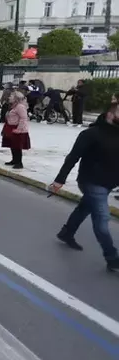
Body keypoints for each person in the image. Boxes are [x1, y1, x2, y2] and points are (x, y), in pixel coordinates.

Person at [51, 103, 119, 271]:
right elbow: (73, 157)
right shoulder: (90, 134)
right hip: (92, 181)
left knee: (85, 207)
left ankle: (67, 233)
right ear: (110, 114)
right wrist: (60, 179)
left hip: (110, 182)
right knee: (102, 221)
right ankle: (112, 258)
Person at [1, 91, 30, 169]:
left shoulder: (20, 106)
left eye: (11, 96)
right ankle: (14, 160)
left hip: (18, 129)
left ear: (16, 98)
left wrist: (19, 129)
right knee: (12, 145)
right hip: (11, 127)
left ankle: (19, 162)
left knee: (17, 146)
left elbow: (23, 118)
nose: (9, 97)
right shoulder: (13, 106)